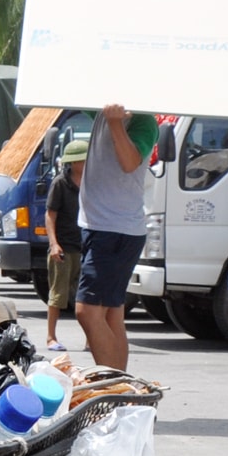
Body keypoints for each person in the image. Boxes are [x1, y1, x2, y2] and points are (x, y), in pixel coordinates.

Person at [75, 104, 160, 371]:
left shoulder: (144, 121)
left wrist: (114, 123)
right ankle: (120, 388)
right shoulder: (103, 111)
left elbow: (130, 162)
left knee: (87, 311)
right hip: (101, 228)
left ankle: (112, 387)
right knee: (112, 314)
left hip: (115, 231)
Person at [44, 137, 88, 352]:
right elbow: (50, 215)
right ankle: (51, 337)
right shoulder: (60, 183)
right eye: (80, 160)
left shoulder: (91, 183)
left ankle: (91, 339)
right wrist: (54, 244)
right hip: (63, 247)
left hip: (85, 246)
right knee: (58, 295)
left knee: (87, 298)